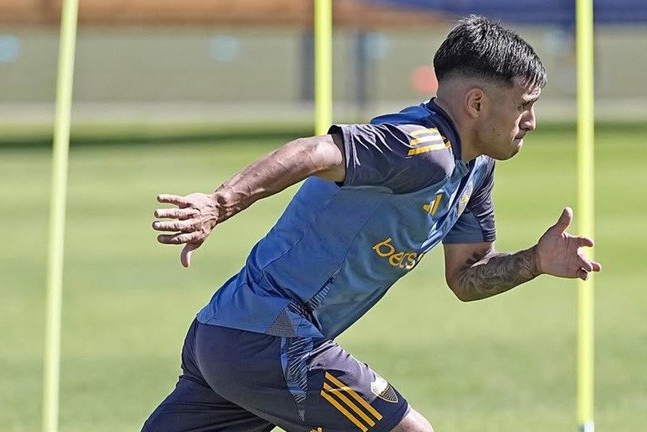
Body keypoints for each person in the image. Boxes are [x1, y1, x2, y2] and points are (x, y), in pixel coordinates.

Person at [143, 15, 601, 432]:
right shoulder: (420, 146)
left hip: (230, 337)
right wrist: (220, 204)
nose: (532, 122)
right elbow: (313, 152)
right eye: (524, 105)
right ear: (477, 102)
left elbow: (465, 278)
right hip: (268, 337)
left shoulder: (475, 169)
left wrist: (535, 261)